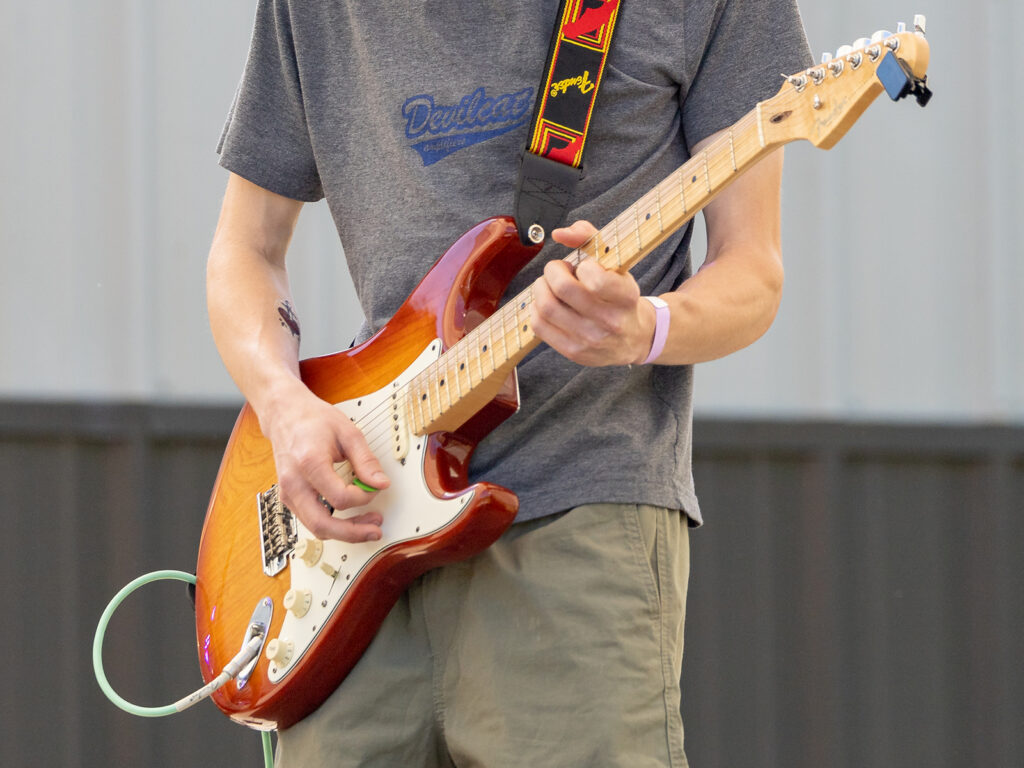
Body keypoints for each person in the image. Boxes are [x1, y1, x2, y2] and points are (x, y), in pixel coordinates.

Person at [207, 1, 811, 765]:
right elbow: (245, 249)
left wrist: (645, 326)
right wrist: (285, 408)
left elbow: (753, 271)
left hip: (578, 516)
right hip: (360, 534)